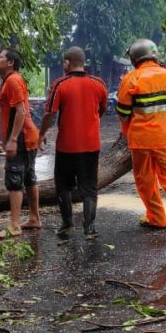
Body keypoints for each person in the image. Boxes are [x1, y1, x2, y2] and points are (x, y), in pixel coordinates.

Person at [115, 39, 166, 236]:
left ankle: (156, 218)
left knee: (145, 179)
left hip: (140, 140)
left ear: (134, 58)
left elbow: (123, 113)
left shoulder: (131, 78)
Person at [39, 46, 108, 237]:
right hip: (91, 145)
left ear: (67, 63)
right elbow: (101, 110)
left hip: (67, 146)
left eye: (64, 62)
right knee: (90, 187)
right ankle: (90, 229)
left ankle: (68, 223)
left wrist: (41, 134)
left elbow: (50, 114)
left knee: (63, 185)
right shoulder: (99, 84)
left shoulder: (60, 84)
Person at [0, 48, 42, 238]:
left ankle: (14, 225)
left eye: (0, 57)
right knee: (29, 176)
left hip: (21, 137)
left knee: (14, 180)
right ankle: (34, 218)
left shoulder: (12, 81)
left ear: (10, 63)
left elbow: (21, 112)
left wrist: (13, 140)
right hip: (28, 135)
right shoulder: (13, 80)